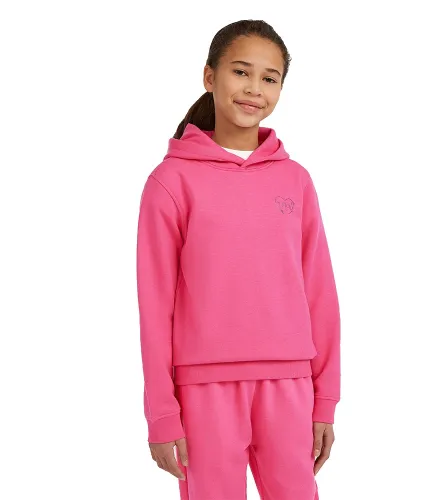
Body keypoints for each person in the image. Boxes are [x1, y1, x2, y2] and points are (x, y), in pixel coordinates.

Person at [136, 19, 341, 500]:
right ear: (210, 76)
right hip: (203, 390)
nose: (254, 89)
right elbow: (155, 305)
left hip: (290, 384)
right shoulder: (171, 182)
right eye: (241, 72)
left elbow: (320, 292)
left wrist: (325, 399)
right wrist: (162, 413)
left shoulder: (295, 180)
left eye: (270, 78)